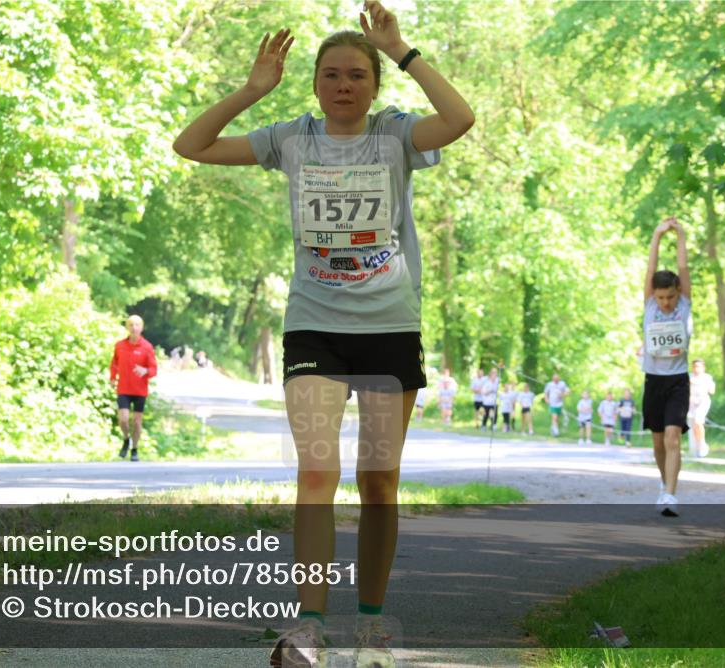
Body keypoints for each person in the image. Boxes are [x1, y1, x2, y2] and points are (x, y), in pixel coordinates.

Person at [173, 3, 474, 664]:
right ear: (314, 84)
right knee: (316, 469)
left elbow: (460, 120)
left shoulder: (396, 136)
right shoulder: (290, 139)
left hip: (391, 327)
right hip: (315, 325)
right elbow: (190, 146)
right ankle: (308, 627)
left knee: (378, 479)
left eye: (357, 75)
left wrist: (402, 51)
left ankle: (370, 625)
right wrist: (252, 91)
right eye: (331, 75)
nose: (343, 85)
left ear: (374, 85)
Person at [642, 216, 692, 517]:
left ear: (677, 292)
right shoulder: (649, 303)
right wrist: (658, 234)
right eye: (660, 297)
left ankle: (671, 495)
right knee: (659, 441)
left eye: (670, 296)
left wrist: (681, 234)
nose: (665, 303)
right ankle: (664, 484)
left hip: (677, 380)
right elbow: (651, 268)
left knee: (674, 437)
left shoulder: (684, 302)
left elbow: (684, 268)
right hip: (653, 379)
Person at [109, 314, 158, 462]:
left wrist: (145, 371)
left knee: (137, 422)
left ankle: (135, 449)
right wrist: (112, 377)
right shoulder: (120, 346)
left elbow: (154, 369)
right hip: (123, 388)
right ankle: (126, 439)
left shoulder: (147, 347)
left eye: (137, 325)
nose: (134, 328)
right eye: (131, 325)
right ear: (127, 327)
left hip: (139, 390)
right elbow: (114, 363)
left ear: (141, 328)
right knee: (123, 419)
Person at [687, 359, 715, 458]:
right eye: (695, 366)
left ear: (703, 367)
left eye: (699, 366)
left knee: (698, 422)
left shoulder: (707, 378)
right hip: (691, 403)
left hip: (703, 402)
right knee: (694, 425)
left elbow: (712, 391)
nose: (696, 369)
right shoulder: (689, 377)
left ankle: (702, 444)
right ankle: (697, 447)